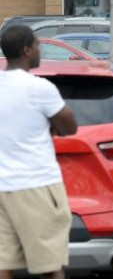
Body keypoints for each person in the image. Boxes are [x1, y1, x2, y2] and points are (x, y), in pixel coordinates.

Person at [0, 25, 77, 279]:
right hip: (36, 185)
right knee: (50, 266)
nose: (39, 50)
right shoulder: (40, 88)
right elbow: (69, 127)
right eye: (37, 45)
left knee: (3, 265)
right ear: (25, 50)